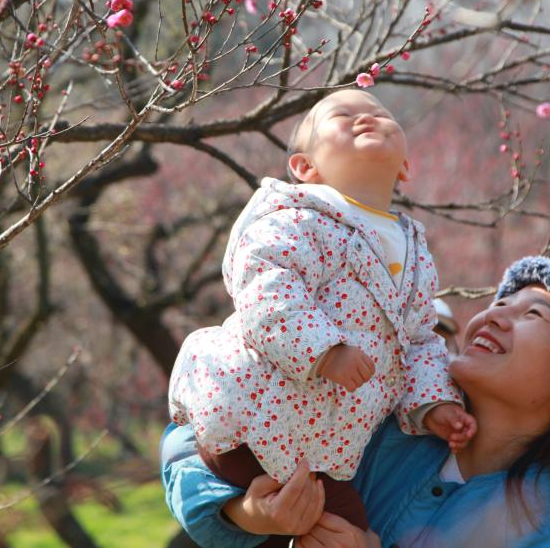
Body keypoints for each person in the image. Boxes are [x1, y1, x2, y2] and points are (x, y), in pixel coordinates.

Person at [161, 256, 550, 548]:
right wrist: (248, 512)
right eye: (500, 301)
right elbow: (190, 437)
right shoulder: (380, 412)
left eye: (533, 314)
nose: (493, 316)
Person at [167, 90, 474, 545]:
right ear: (305, 168)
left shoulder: (413, 252)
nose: (366, 118)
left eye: (381, 114)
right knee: (283, 503)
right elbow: (266, 282)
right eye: (343, 114)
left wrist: (433, 403)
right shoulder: (299, 217)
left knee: (348, 531)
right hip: (255, 409)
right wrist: (324, 348)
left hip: (328, 444)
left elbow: (419, 340)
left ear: (404, 167)